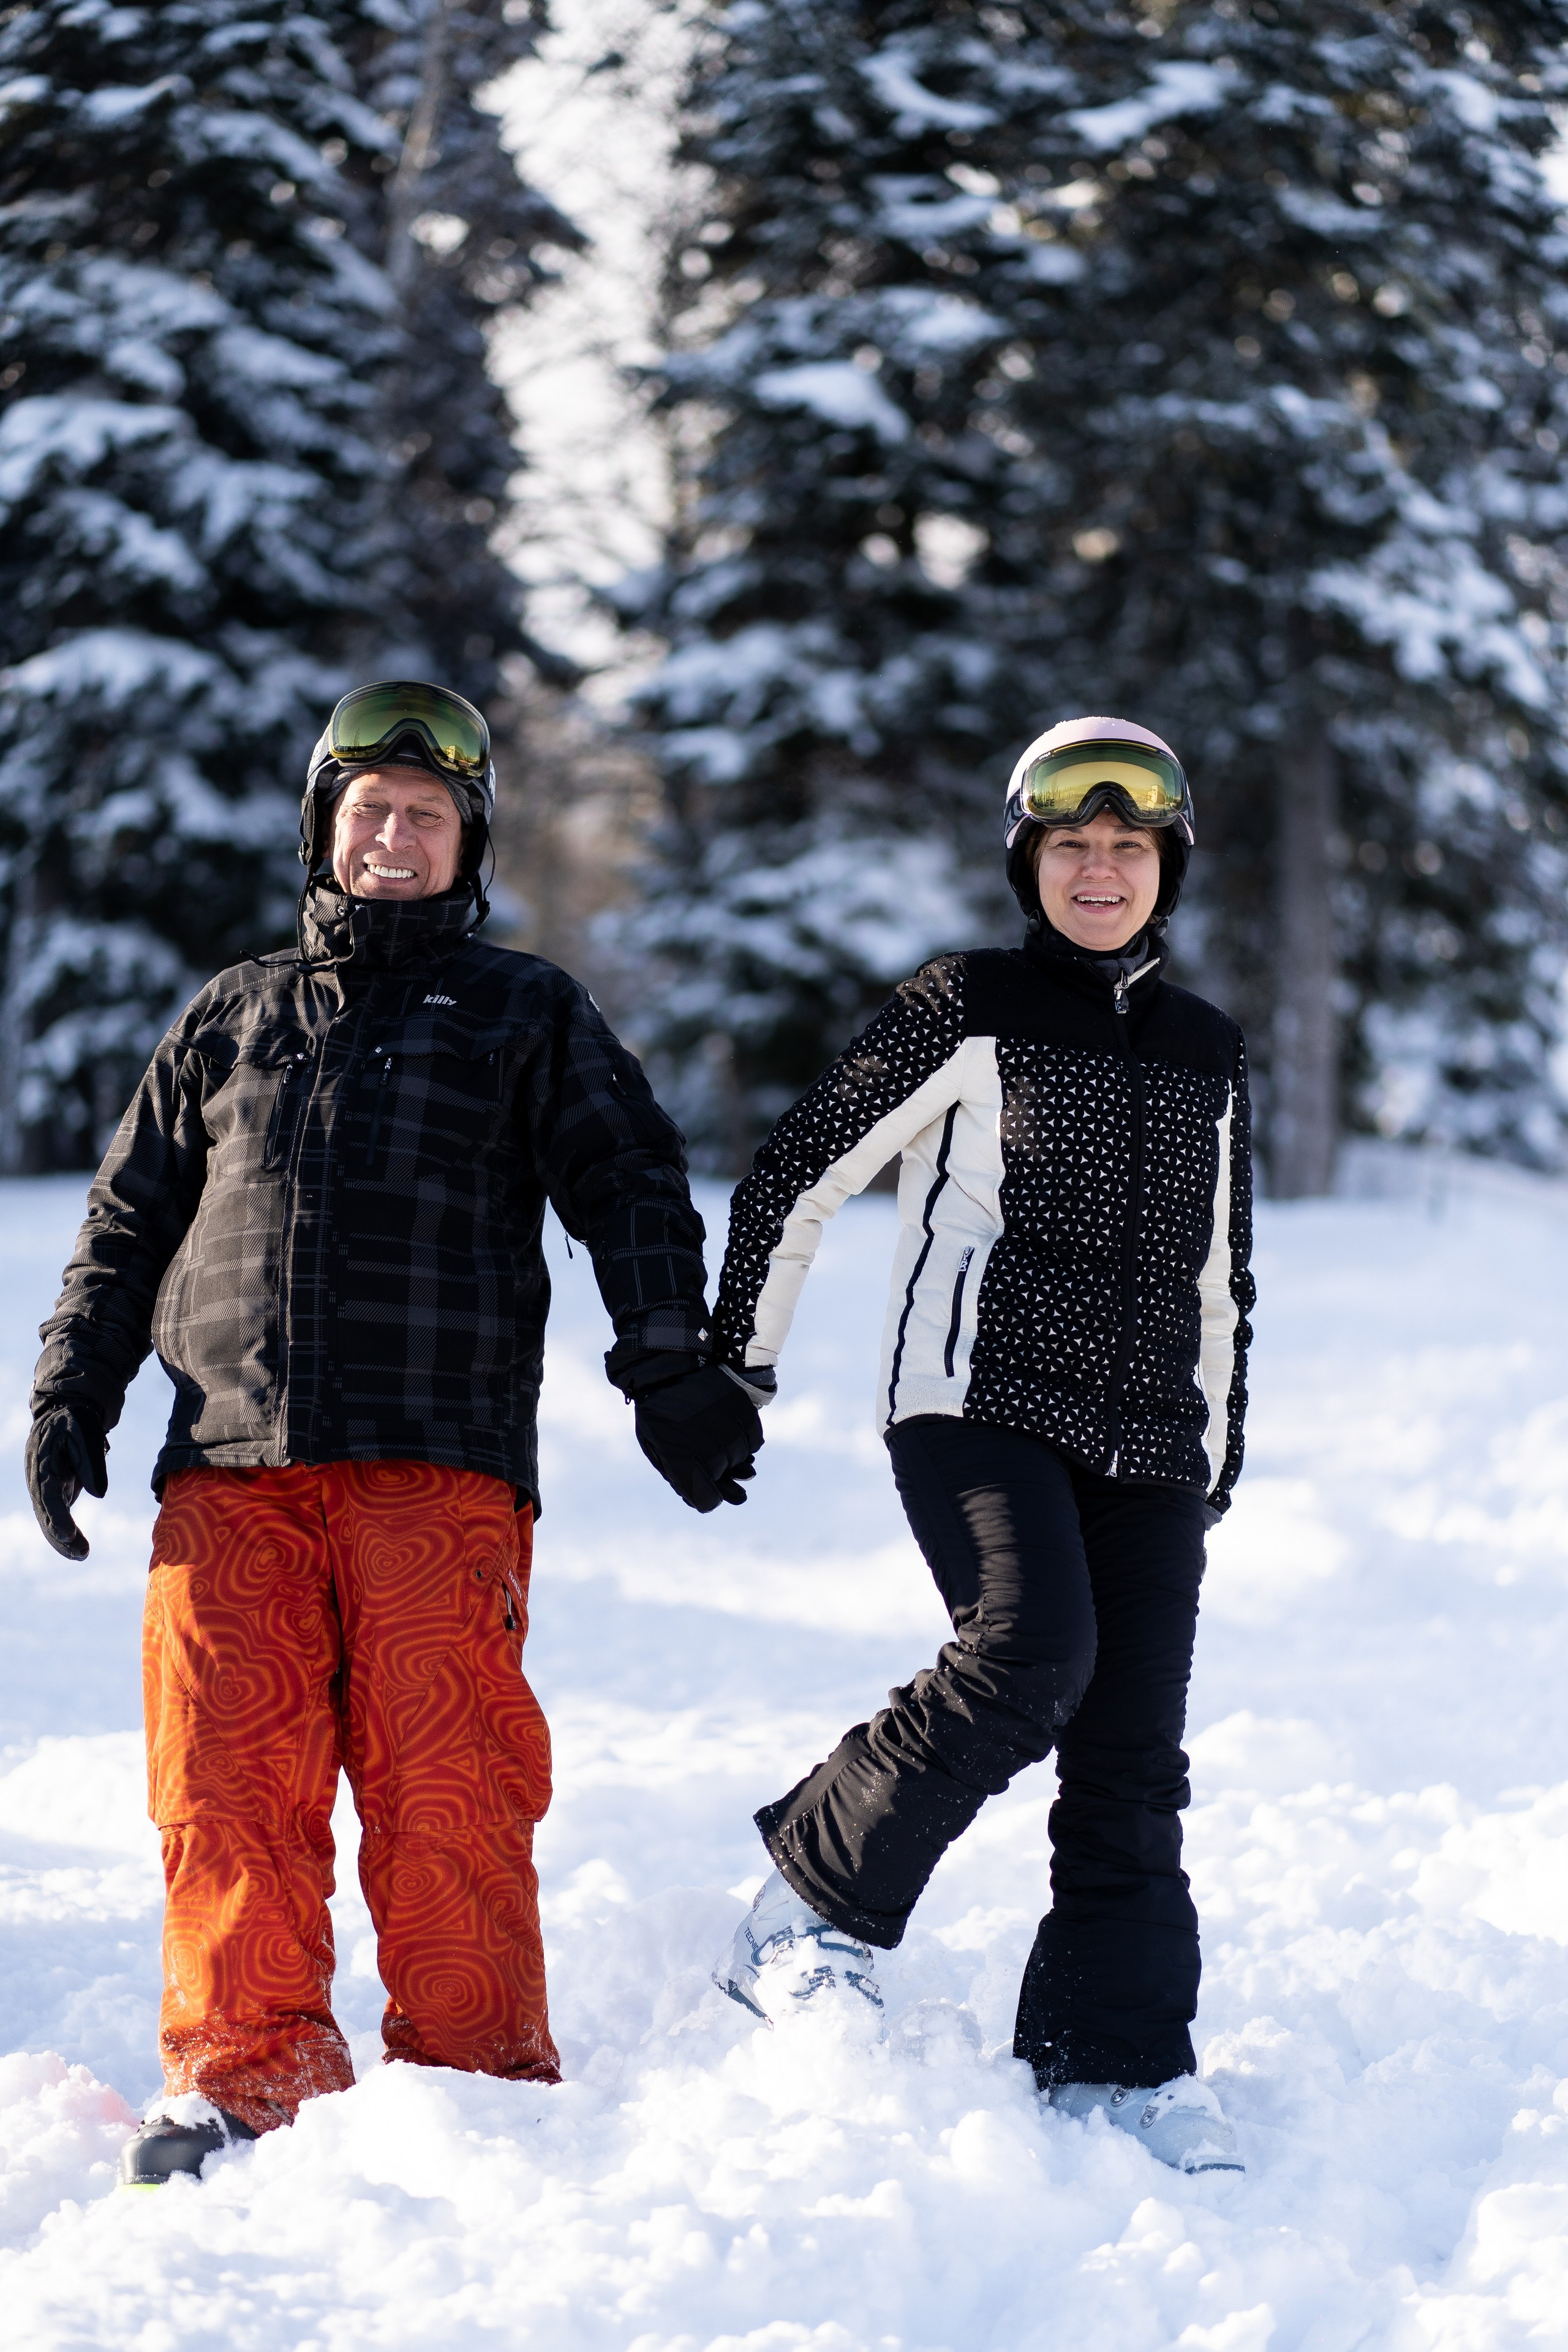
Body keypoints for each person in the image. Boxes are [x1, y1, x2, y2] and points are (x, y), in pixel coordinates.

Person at [25, 680, 762, 2188]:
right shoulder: (228, 1016)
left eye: (427, 815)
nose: (395, 834)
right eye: (371, 810)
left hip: (438, 1462)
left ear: (465, 842)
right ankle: (245, 2078)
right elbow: (123, 1226)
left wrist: (668, 1365)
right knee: (226, 1785)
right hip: (231, 1467)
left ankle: (476, 2084)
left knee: (449, 1782)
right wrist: (69, 1394)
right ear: (325, 828)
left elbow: (627, 1180)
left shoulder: (522, 1009)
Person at [709, 715, 1254, 2176]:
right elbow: (797, 1174)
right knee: (1027, 1655)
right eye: (1070, 845)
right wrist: (732, 1363)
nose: (1098, 870)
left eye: (1126, 847)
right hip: (977, 1404)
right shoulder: (967, 1004)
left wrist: (1215, 1445)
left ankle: (1112, 2060)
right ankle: (804, 1912)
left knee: (1133, 1753)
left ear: (1164, 869)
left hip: (1148, 1438)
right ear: (1029, 859)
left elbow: (1221, 1272)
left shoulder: (1204, 1044)